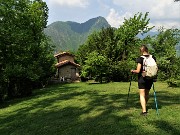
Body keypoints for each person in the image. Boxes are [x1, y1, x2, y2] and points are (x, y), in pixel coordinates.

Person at [131, 45, 156, 116]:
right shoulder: (152, 57)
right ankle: (144, 105)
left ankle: (144, 111)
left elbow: (138, 70)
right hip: (150, 77)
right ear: (147, 50)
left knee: (142, 94)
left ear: (141, 51)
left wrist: (133, 71)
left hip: (142, 78)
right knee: (147, 93)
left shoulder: (140, 58)